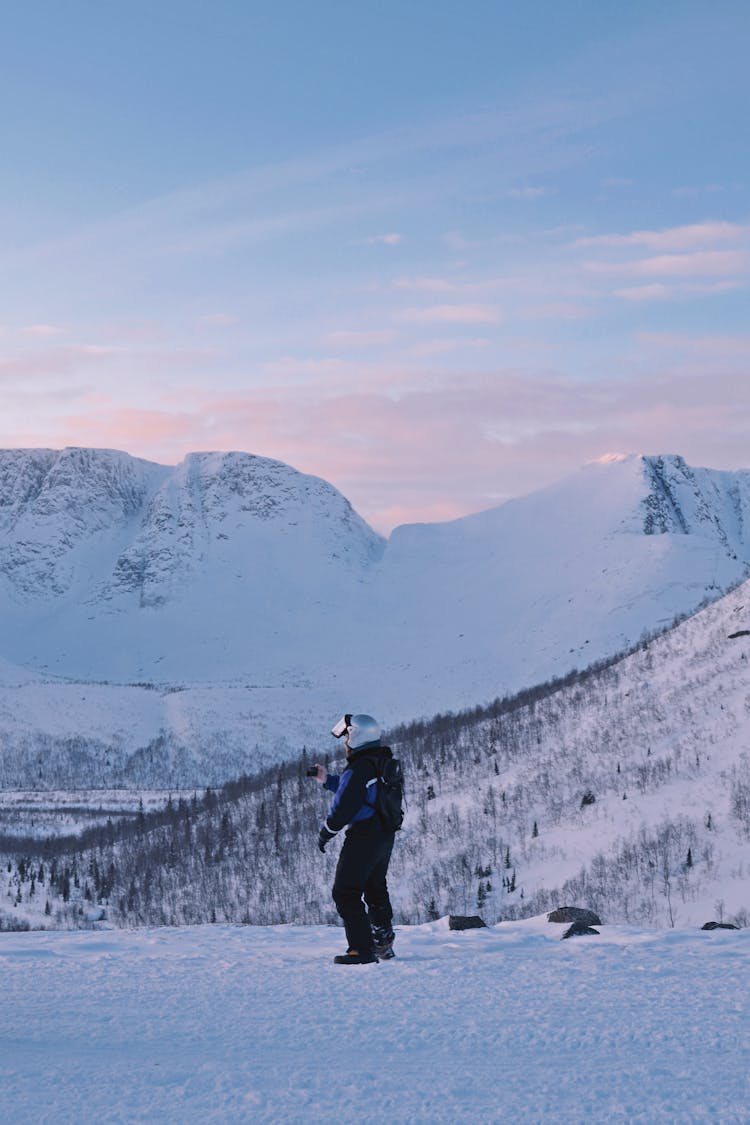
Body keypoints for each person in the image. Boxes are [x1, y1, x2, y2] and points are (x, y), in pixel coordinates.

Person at [309, 713, 396, 965]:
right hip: (384, 835)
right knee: (375, 887)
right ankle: (383, 941)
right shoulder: (380, 763)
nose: (345, 742)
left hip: (364, 836)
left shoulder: (359, 768)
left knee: (345, 891)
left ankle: (361, 950)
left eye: (346, 737)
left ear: (356, 737)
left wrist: (326, 832)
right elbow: (361, 793)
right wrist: (327, 780)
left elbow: (345, 806)